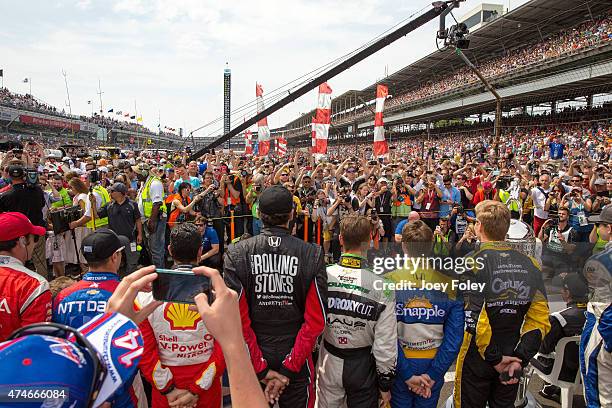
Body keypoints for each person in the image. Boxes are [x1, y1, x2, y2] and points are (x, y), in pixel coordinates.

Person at [224, 185, 327, 407]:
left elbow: (236, 320)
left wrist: (260, 367)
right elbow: (316, 321)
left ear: (259, 215)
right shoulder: (312, 253)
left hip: (255, 349)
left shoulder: (236, 253)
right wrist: (290, 366)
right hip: (296, 350)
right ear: (291, 214)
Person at [453, 200, 551, 408]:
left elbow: (475, 316)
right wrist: (519, 357)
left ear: (478, 226)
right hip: (513, 352)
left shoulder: (472, 262)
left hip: (478, 356)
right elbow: (540, 319)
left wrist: (495, 358)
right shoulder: (531, 264)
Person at [52, 228, 147, 407]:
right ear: (114, 257)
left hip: (79, 383)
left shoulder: (62, 296)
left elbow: (58, 345)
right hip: (123, 387)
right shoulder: (128, 295)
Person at [137, 222, 226, 408]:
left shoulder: (145, 295)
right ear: (200, 251)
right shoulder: (221, 294)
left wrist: (169, 390)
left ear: (169, 250)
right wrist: (197, 388)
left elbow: (144, 352)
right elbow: (225, 347)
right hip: (207, 386)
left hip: (166, 392)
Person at [316, 215, 397, 408]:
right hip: (363, 367)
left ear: (341, 239)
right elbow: (385, 343)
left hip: (328, 359)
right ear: (369, 240)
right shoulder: (383, 285)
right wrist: (385, 384)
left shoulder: (322, 275)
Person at [385, 220, 463, 408]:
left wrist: (407, 374)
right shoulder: (451, 285)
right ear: (430, 247)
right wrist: (433, 375)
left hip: (399, 363)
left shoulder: (386, 282)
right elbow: (454, 340)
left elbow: (384, 335)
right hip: (433, 364)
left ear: (403, 245)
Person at [531, 273, 589, 401]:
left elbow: (544, 350)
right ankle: (550, 388)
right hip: (592, 373)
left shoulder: (558, 319)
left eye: (563, 289)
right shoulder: (597, 316)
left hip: (564, 374)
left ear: (568, 293)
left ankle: (547, 387)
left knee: (537, 354)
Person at [0, 212, 51, 341]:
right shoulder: (34, 285)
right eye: (35, 238)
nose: (34, 244)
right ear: (22, 241)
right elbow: (34, 344)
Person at [580, 205, 612, 407]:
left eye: (600, 224)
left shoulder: (601, 262)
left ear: (609, 228)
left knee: (601, 398)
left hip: (604, 332)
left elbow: (603, 310)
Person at [0, 161, 47, 276]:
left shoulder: (6, 195)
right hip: (36, 229)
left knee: (18, 263)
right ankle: (43, 285)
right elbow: (42, 205)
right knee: (40, 263)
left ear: (9, 176)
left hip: (17, 235)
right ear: (24, 175)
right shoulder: (37, 190)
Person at [96, 182, 143, 277]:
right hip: (114, 239)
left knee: (132, 259)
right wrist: (93, 203)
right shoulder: (109, 205)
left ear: (120, 193)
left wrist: (140, 234)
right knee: (113, 260)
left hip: (130, 238)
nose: (110, 193)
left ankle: (130, 277)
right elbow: (97, 216)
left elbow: (138, 220)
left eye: (113, 191)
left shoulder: (132, 204)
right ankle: (114, 279)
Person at [135, 163, 167, 268]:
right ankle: (156, 273)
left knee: (156, 249)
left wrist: (152, 221)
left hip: (155, 220)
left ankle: (160, 277)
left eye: (138, 173)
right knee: (151, 248)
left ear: (144, 172)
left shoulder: (155, 183)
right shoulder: (145, 183)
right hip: (148, 220)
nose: (136, 175)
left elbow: (157, 203)